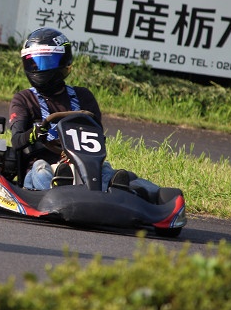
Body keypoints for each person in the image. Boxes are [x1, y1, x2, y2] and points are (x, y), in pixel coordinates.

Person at [9, 27, 158, 198]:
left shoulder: (83, 96)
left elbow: (97, 138)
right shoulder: (24, 99)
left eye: (47, 62)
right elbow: (17, 141)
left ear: (64, 61)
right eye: (34, 63)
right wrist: (34, 134)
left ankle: (117, 191)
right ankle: (59, 188)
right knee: (41, 169)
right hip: (42, 168)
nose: (39, 69)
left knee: (106, 170)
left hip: (84, 169)